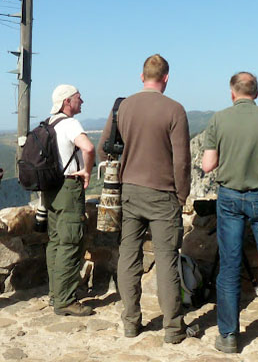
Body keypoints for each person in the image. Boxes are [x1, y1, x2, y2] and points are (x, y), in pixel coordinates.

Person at [97, 54, 191, 344]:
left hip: (129, 190)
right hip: (163, 193)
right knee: (166, 261)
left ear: (141, 77)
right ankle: (173, 328)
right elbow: (182, 161)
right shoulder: (175, 110)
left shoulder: (123, 107)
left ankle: (130, 321)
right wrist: (182, 194)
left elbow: (103, 149)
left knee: (129, 255)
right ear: (166, 78)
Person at [202, 72, 258, 353]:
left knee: (229, 267)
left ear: (232, 92)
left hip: (229, 198)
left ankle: (228, 336)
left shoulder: (219, 119)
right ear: (257, 92)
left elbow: (207, 165)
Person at [44, 84, 95, 316]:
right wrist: (87, 172)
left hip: (51, 189)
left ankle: (56, 293)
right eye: (78, 97)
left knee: (55, 241)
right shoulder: (70, 124)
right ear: (67, 101)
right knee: (71, 242)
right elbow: (88, 147)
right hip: (68, 188)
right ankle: (65, 300)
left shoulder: (48, 123)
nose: (82, 101)